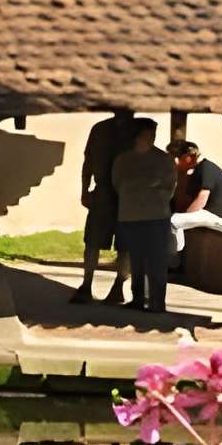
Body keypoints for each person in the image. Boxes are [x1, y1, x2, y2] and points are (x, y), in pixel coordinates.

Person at [71, 108, 139, 304]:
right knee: (93, 239)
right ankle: (87, 284)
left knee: (125, 243)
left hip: (128, 193)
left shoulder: (136, 129)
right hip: (104, 191)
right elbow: (88, 161)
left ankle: (118, 286)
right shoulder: (100, 129)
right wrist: (84, 190)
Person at [110, 118, 179, 312]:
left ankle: (157, 301)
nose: (151, 137)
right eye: (147, 133)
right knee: (136, 260)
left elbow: (170, 186)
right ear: (137, 135)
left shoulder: (163, 159)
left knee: (157, 261)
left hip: (156, 216)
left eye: (153, 134)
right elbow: (117, 184)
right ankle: (139, 298)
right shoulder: (123, 159)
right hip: (131, 215)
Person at [168, 139, 222, 264]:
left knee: (173, 221)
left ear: (189, 157)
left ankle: (174, 260)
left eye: (176, 159)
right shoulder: (196, 171)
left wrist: (184, 215)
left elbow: (202, 198)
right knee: (173, 219)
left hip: (215, 216)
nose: (175, 163)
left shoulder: (206, 168)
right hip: (205, 214)